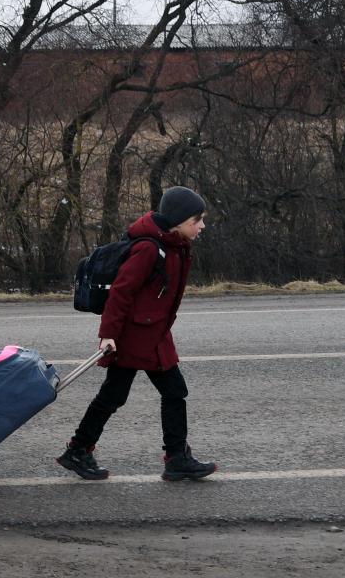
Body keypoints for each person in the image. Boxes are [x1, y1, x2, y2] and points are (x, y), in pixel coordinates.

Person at [57, 186, 219, 482]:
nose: (202, 226)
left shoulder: (174, 245)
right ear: (179, 220)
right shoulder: (149, 249)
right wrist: (108, 335)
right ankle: (80, 450)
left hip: (154, 335)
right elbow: (121, 292)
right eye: (197, 220)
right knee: (118, 396)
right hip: (132, 337)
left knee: (168, 393)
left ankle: (176, 458)